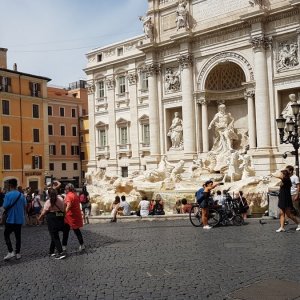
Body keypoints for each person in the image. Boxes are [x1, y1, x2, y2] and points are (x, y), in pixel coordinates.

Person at [38, 188, 66, 259]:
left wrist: (40, 218)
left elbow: (44, 212)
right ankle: (51, 251)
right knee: (54, 235)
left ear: (49, 194)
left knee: (55, 235)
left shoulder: (48, 201)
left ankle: (61, 252)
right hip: (60, 217)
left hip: (52, 218)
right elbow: (64, 208)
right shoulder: (61, 199)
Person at [3, 179, 27, 261]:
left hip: (10, 219)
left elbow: (5, 206)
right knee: (18, 237)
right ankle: (18, 253)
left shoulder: (7, 195)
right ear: (16, 185)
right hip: (19, 219)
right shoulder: (21, 195)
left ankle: (10, 251)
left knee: (6, 235)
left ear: (10, 186)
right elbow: (25, 205)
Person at [62, 183, 85, 252]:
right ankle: (82, 244)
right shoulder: (75, 195)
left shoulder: (68, 196)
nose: (64, 190)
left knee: (65, 232)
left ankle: (64, 246)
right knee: (77, 231)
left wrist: (64, 212)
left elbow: (68, 204)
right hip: (75, 216)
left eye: (65, 189)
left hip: (69, 217)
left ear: (68, 189)